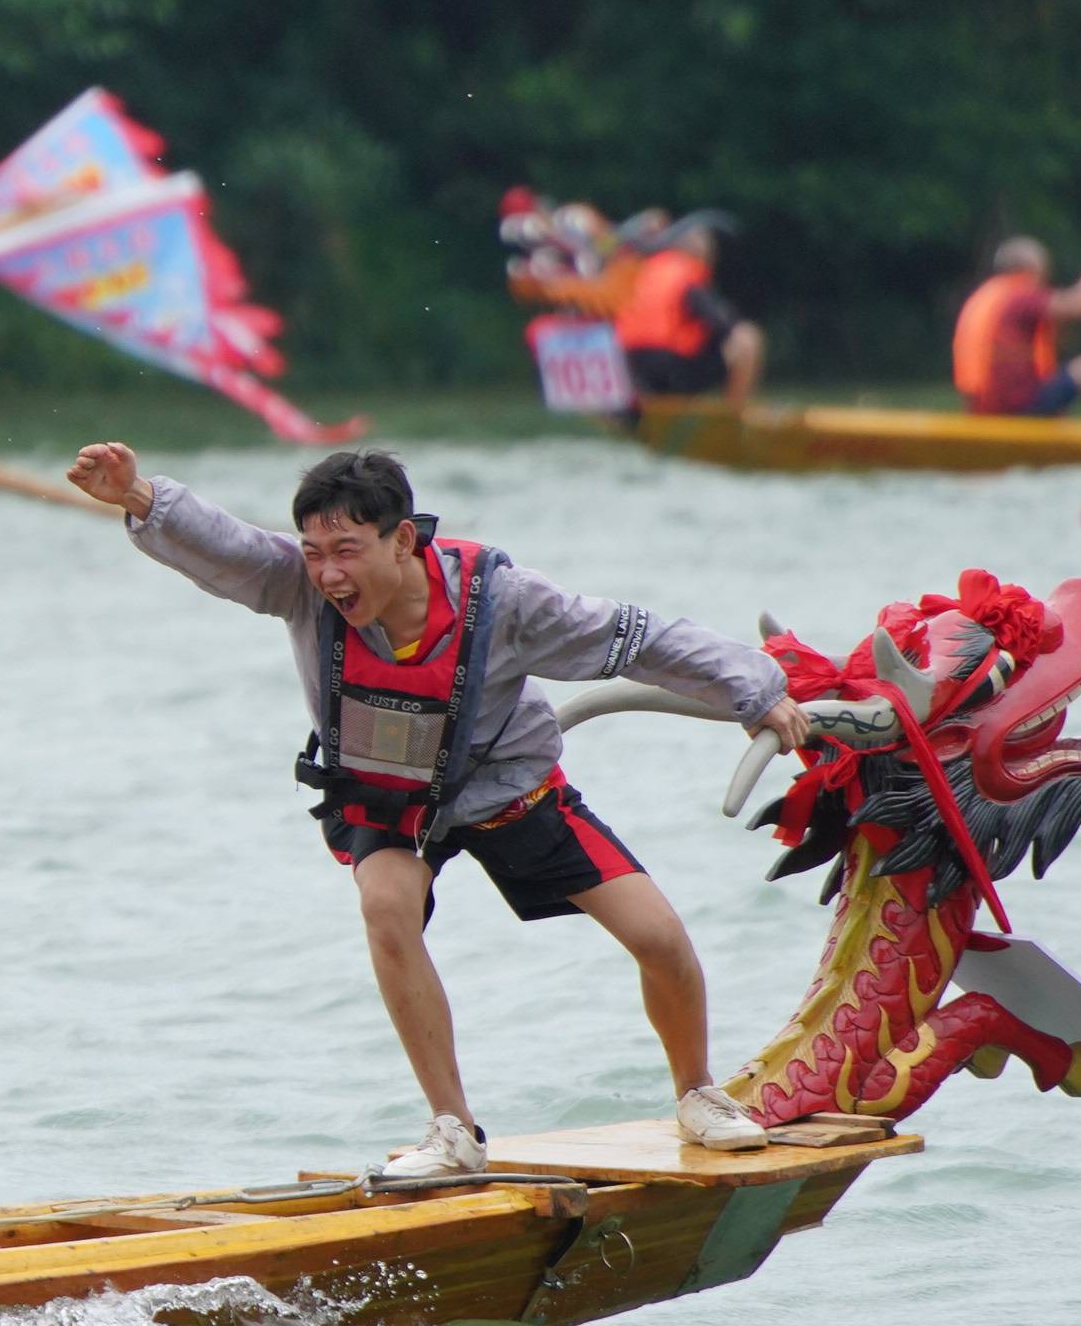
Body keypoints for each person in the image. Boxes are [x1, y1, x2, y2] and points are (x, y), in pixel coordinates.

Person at [62, 442, 810, 1174]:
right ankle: (453, 1130)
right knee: (386, 907)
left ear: (404, 541)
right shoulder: (300, 586)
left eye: (347, 550)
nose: (328, 573)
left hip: (507, 791)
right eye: (314, 550)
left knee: (659, 936)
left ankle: (698, 1095)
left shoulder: (506, 604)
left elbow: (639, 637)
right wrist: (141, 499)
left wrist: (756, 688)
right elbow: (227, 547)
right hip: (384, 803)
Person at [952, 236, 1081, 416]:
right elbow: (1077, 306)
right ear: (1030, 267)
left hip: (981, 406)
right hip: (1016, 404)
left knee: (1058, 382)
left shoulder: (988, 296)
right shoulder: (1020, 293)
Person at [612, 212, 768, 405]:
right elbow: (721, 322)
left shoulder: (647, 269)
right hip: (670, 367)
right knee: (748, 337)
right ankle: (733, 416)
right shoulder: (689, 274)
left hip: (628, 366)